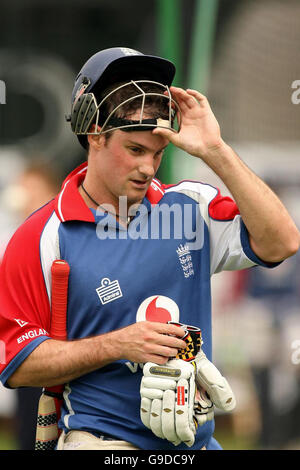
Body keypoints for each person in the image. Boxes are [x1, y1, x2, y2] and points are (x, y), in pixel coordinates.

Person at [0, 47, 299, 451]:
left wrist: (216, 150)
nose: (148, 168)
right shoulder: (42, 236)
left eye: (158, 153)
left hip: (196, 445)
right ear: (94, 136)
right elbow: (17, 364)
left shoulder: (191, 207)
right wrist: (118, 344)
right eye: (135, 151)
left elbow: (283, 241)